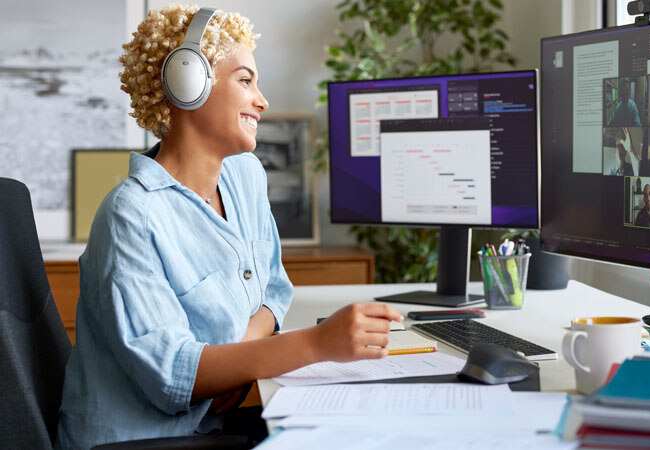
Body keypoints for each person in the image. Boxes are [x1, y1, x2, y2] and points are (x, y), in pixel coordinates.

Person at [55, 6, 402, 449]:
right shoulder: (133, 215)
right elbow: (171, 375)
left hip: (215, 425)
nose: (263, 99)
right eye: (245, 80)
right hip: (143, 441)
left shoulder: (246, 175)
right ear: (188, 83)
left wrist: (236, 362)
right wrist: (314, 343)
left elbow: (274, 290)